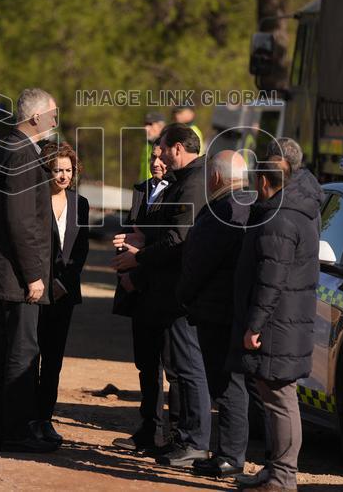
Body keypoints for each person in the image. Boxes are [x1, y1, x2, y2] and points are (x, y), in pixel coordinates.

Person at [112, 123, 211, 467]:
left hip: (178, 294)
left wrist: (139, 257)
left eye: (164, 150)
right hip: (165, 291)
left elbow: (178, 238)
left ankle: (193, 441)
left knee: (187, 370)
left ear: (179, 149)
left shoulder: (194, 183)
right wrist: (141, 243)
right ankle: (178, 438)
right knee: (172, 367)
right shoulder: (187, 180)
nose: (160, 158)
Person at [0, 88, 59, 453]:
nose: (56, 121)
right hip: (15, 277)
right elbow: (21, 222)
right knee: (21, 353)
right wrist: (34, 275)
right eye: (53, 115)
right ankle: (15, 431)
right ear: (35, 118)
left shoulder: (3, 147)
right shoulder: (22, 154)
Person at [230, 143, 320, 491]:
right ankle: (276, 470)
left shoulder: (279, 218)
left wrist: (254, 325)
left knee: (281, 401)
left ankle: (283, 477)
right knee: (276, 399)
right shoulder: (295, 208)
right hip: (285, 323)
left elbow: (271, 279)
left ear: (265, 180)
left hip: (277, 326)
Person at [177, 150, 252, 477]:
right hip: (234, 310)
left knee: (226, 386)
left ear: (216, 177)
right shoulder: (251, 204)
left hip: (218, 311)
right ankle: (229, 452)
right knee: (232, 386)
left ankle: (229, 456)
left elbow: (199, 263)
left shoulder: (223, 209)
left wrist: (182, 296)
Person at [112, 143, 180, 453]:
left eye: (161, 157)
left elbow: (168, 244)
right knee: (146, 364)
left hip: (163, 290)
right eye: (152, 157)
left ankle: (178, 436)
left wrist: (137, 265)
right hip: (138, 290)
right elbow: (134, 230)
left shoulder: (180, 193)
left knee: (175, 368)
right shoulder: (142, 189)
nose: (156, 162)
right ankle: (149, 430)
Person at [33, 142, 89, 444]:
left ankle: (44, 418)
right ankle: (26, 416)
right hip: (35, 289)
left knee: (53, 359)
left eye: (68, 170)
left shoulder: (80, 203)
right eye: (57, 170)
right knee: (30, 354)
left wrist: (65, 281)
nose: (63, 175)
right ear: (47, 172)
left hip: (64, 293)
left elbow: (81, 250)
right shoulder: (35, 200)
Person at [139, 112, 166, 181]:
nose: (146, 128)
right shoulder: (147, 146)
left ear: (161, 126)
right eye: (145, 124)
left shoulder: (168, 146)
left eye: (150, 124)